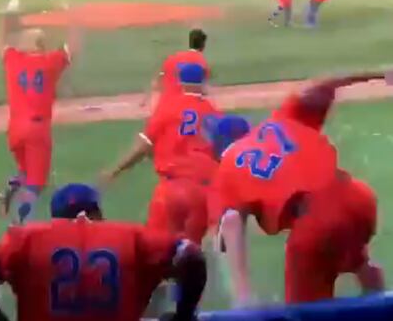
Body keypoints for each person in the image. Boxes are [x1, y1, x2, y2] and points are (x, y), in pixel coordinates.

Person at [213, 74, 385, 307]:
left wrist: (242, 296)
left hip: (316, 222)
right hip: (358, 197)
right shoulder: (279, 121)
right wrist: (378, 75)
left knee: (302, 310)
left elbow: (231, 222)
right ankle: (375, 292)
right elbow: (322, 85)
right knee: (349, 248)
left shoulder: (227, 167)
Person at [0, 183, 207, 321]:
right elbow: (192, 257)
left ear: (55, 218)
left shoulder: (27, 237)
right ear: (96, 214)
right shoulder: (132, 236)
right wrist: (183, 315)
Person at [103, 63, 220, 244]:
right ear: (202, 83)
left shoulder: (168, 107)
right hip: (201, 192)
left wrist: (115, 170)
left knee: (155, 249)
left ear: (181, 83)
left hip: (171, 189)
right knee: (190, 255)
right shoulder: (214, 113)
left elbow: (143, 146)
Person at [0, 9, 81, 225]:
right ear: (42, 45)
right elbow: (73, 48)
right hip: (37, 130)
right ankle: (21, 223)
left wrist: (4, 18)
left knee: (25, 170)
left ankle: (10, 188)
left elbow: (0, 40)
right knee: (36, 183)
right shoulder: (50, 61)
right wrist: (72, 19)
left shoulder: (13, 60)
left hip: (14, 128)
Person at [142, 28, 209, 109]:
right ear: (203, 45)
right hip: (183, 107)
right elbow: (203, 91)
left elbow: (156, 81)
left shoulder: (173, 58)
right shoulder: (201, 62)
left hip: (164, 105)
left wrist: (145, 100)